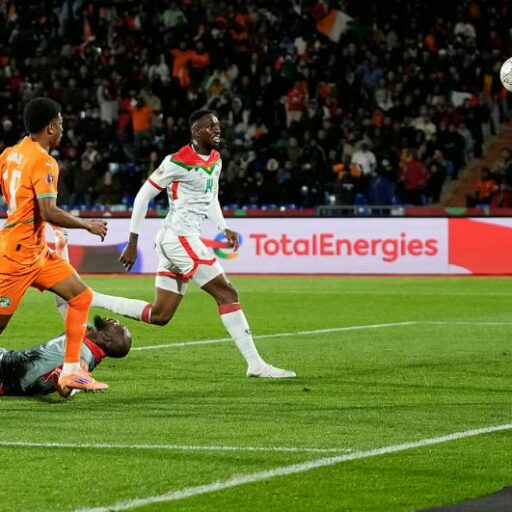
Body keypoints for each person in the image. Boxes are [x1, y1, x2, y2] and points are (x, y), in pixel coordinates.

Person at [92, 109, 295, 378]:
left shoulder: (216, 160)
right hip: (179, 238)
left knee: (160, 315)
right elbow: (143, 196)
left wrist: (223, 226)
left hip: (181, 239)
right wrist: (132, 241)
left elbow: (210, 198)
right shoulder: (177, 161)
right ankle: (256, 364)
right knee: (227, 294)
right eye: (211, 126)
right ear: (196, 132)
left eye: (218, 125)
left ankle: (90, 298)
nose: (217, 130)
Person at [0, 97, 108, 392]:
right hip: (17, 258)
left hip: (34, 250)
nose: (62, 129)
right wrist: (87, 224)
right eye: (60, 124)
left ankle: (71, 372)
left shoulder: (10, 154)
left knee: (81, 296)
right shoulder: (44, 161)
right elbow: (48, 211)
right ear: (50, 128)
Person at [0, 315, 132, 398]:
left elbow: (69, 386)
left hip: (5, 374)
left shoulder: (84, 356)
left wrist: (65, 388)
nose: (116, 321)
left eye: (119, 326)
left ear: (107, 337)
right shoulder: (86, 330)